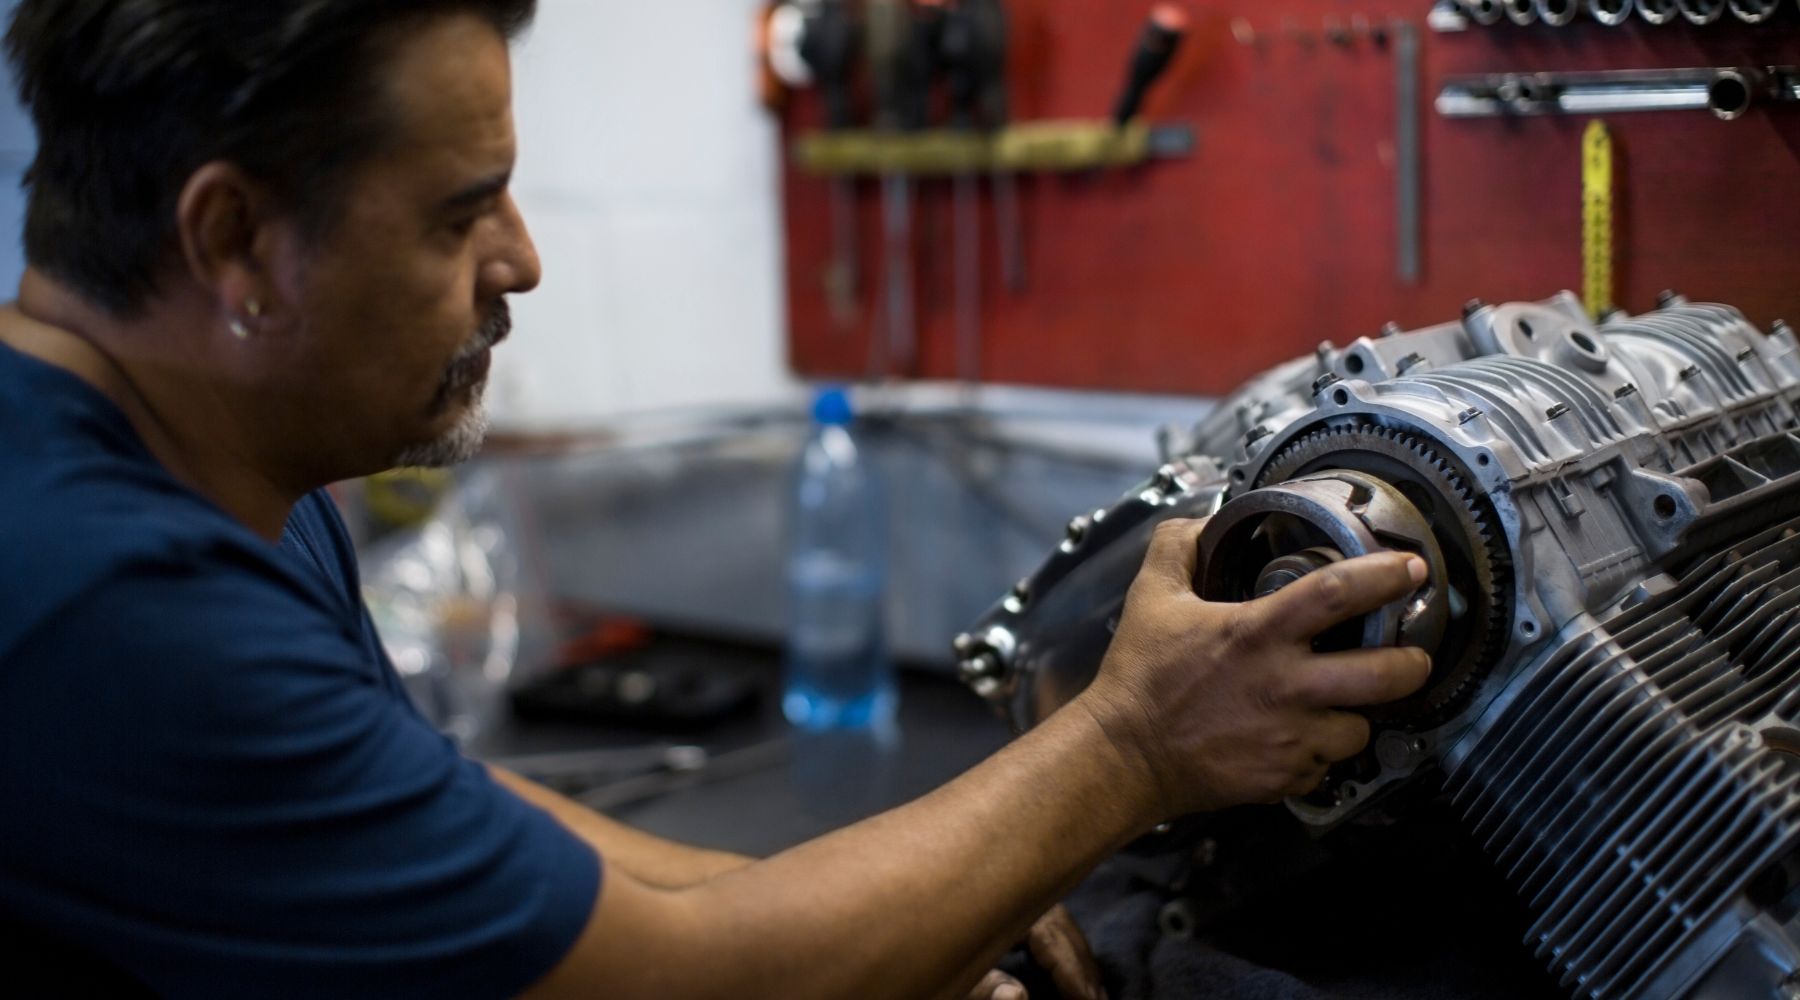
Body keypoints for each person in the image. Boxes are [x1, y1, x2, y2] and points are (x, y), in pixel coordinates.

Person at [0, 2, 1434, 997]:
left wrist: (867, 916)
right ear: (234, 242)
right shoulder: (105, 602)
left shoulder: (216, 469)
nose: (520, 259)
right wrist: (1131, 746)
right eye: (458, 211)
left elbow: (439, 817)